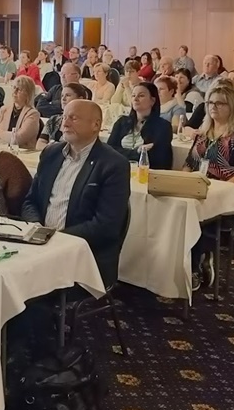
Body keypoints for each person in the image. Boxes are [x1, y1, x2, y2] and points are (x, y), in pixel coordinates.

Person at [21, 99, 130, 287]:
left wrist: (57, 239)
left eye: (73, 118)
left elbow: (106, 226)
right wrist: (36, 227)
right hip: (39, 247)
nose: (65, 123)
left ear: (96, 125)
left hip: (83, 256)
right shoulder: (51, 154)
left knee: (23, 292)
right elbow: (30, 201)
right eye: (64, 117)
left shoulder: (113, 165)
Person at [182, 83, 234, 289]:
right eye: (210, 102)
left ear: (232, 107)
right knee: (177, 210)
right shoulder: (203, 133)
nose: (213, 107)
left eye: (220, 103)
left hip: (232, 196)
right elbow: (189, 164)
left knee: (200, 216)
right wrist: (183, 185)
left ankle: (196, 266)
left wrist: (217, 193)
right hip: (199, 190)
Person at [107, 82, 173, 168]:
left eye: (141, 96)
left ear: (152, 101)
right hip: (118, 170)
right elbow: (109, 151)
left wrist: (121, 152)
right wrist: (138, 152)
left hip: (147, 172)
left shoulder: (163, 126)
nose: (135, 99)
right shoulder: (122, 122)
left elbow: (158, 159)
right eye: (133, 95)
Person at [0, 75, 41, 150]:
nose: (15, 92)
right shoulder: (4, 110)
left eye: (19, 89)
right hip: (2, 151)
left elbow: (18, 139)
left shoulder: (33, 114)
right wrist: (8, 141)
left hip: (23, 154)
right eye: (14, 87)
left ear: (28, 93)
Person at [38, 83, 92, 147]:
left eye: (68, 95)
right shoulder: (53, 120)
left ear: (80, 99)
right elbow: (39, 144)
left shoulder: (84, 122)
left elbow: (76, 147)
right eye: (62, 96)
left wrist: (52, 147)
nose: (63, 99)